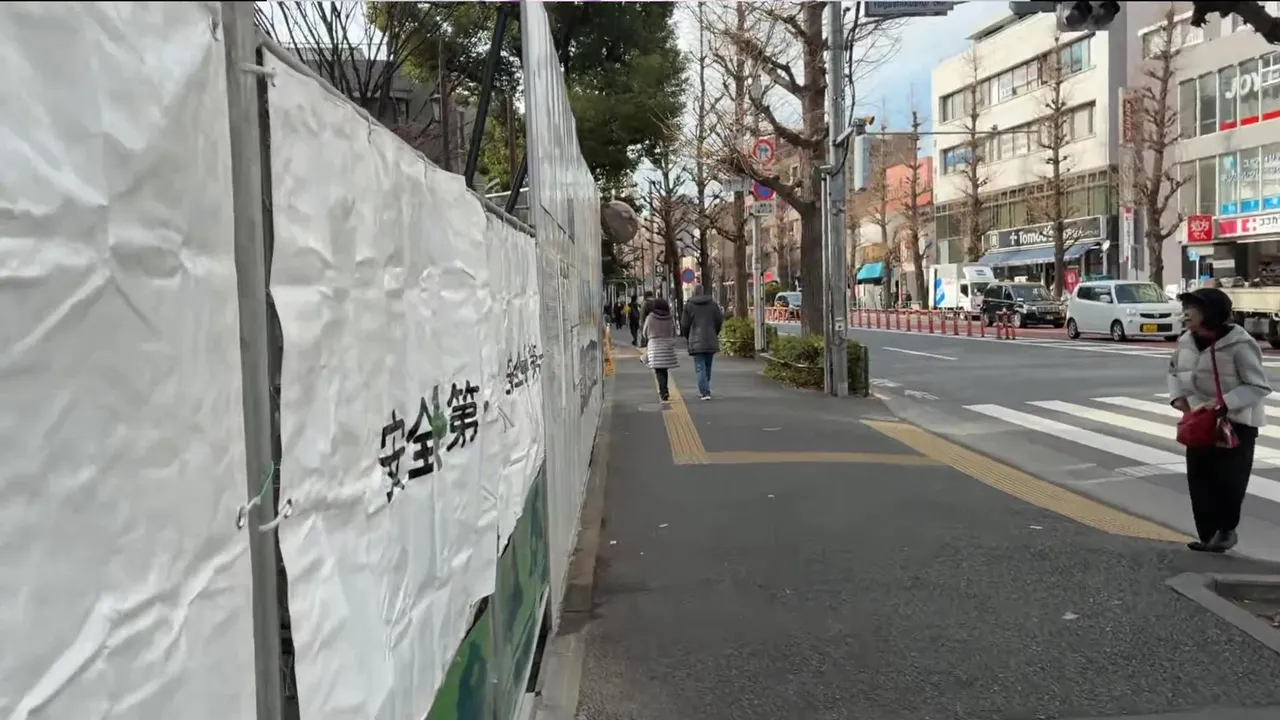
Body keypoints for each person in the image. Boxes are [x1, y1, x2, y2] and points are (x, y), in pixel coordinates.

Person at [1168, 287, 1271, 553]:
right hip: (1200, 420)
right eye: (1185, 308)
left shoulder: (1240, 344)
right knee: (1199, 480)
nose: (1185, 314)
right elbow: (1174, 370)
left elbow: (1258, 386)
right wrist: (1178, 398)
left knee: (1229, 482)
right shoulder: (1186, 341)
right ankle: (1208, 536)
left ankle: (1225, 531)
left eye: (1192, 309)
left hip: (1237, 422)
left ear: (1210, 313)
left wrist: (1225, 403)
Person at [682, 284, 724, 400]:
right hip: (710, 338)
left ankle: (704, 392)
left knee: (700, 366)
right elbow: (719, 320)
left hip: (695, 340)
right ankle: (705, 387)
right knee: (708, 365)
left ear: (693, 292)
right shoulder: (713, 304)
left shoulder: (689, 305)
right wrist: (714, 332)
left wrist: (688, 336)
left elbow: (685, 324)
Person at [643, 297, 679, 401]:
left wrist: (648, 337)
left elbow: (645, 332)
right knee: (664, 368)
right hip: (667, 345)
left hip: (654, 345)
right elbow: (674, 332)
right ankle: (664, 390)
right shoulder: (670, 318)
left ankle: (663, 391)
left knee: (658, 369)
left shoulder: (650, 317)